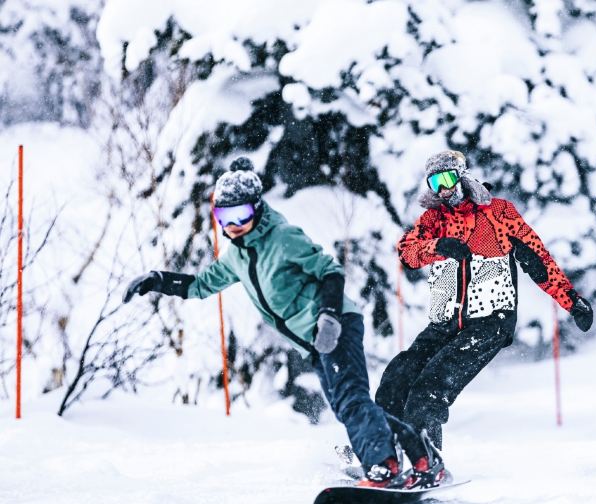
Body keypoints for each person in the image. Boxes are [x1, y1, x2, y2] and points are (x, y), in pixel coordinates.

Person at [122, 158, 443, 489]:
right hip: (313, 341)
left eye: (241, 215)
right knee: (346, 407)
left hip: (336, 324)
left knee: (352, 400)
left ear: (257, 208)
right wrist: (158, 280)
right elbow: (200, 285)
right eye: (224, 218)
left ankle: (383, 465)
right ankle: (420, 455)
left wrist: (329, 317)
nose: (233, 226)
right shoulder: (236, 257)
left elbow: (330, 271)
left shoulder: (283, 237)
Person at [375, 150, 594, 449]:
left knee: (430, 387)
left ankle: (424, 458)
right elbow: (407, 253)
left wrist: (571, 301)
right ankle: (381, 449)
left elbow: (538, 260)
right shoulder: (433, 219)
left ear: (462, 177)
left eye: (448, 178)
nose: (443, 189)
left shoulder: (498, 213)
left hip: (490, 320)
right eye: (435, 182)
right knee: (397, 376)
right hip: (445, 322)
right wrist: (438, 246)